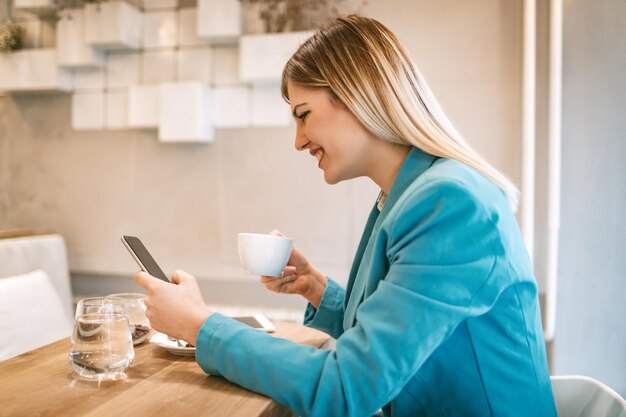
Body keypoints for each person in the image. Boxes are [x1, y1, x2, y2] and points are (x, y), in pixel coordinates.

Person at [134, 14, 557, 417]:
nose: (298, 142)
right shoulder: (408, 193)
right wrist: (318, 289)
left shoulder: (448, 205)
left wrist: (199, 325)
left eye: (304, 115)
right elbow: (389, 344)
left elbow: (346, 387)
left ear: (357, 95)